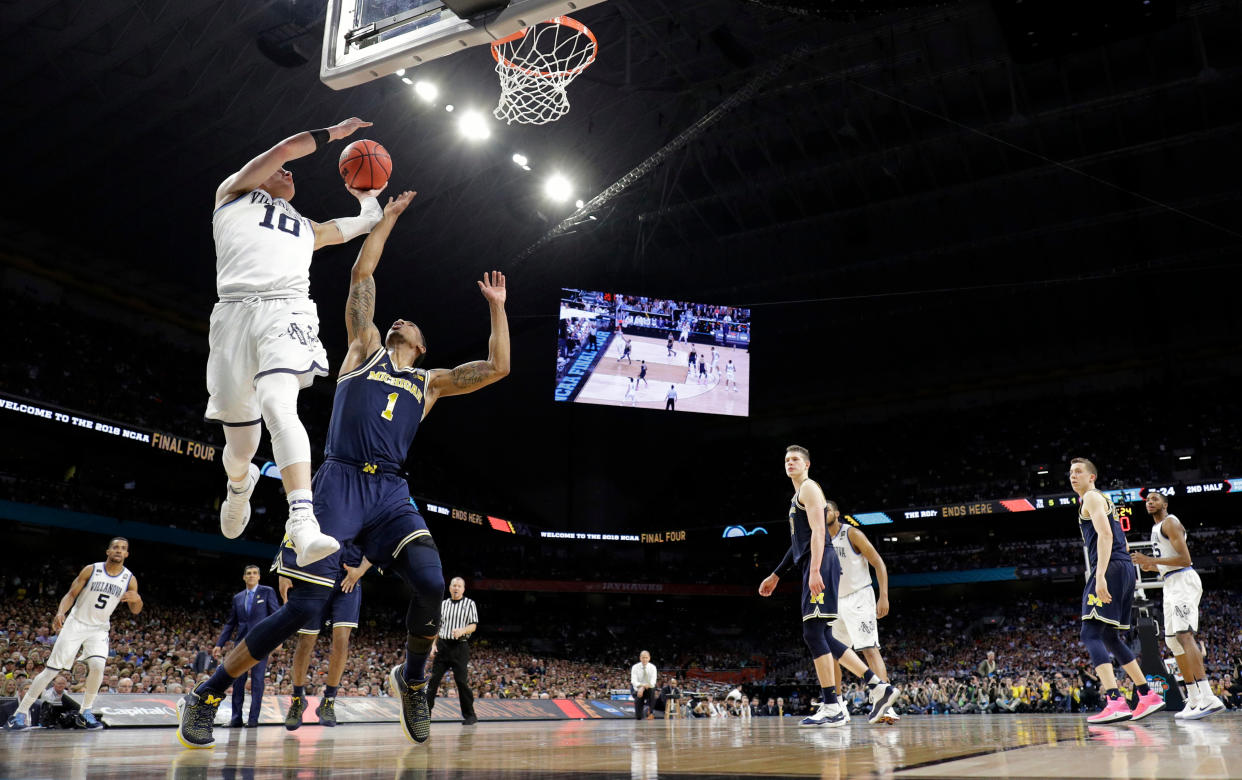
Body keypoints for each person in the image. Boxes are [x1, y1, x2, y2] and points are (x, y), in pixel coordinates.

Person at [176, 191, 510, 749]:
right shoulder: (364, 347)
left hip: (390, 492)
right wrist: (389, 219)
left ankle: (412, 677)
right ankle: (208, 692)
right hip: (339, 481)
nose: (400, 319)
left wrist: (497, 306)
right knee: (302, 610)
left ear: (422, 347)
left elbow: (498, 367)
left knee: (432, 582)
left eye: (412, 324)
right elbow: (362, 269)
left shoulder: (430, 384)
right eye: (397, 318)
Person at [207, 116, 383, 567]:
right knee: (240, 446)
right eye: (278, 169)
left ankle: (302, 522)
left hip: (287, 310)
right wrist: (334, 134)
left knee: (278, 403)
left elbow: (366, 223)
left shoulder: (307, 227)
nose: (288, 172)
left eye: (289, 172)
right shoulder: (231, 195)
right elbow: (285, 148)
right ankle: (239, 484)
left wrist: (367, 196)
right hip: (233, 315)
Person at [758, 445, 895, 728]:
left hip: (821, 564)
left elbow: (820, 532)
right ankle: (877, 688)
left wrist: (816, 568)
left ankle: (834, 705)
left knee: (813, 632)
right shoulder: (797, 496)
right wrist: (776, 574)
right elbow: (799, 543)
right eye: (786, 460)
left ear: (807, 464)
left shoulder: (809, 488)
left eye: (795, 459)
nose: (790, 463)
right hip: (815, 562)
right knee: (822, 635)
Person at [7, 538, 141, 730]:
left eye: (123, 549)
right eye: (115, 548)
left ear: (127, 554)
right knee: (51, 671)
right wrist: (61, 612)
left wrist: (137, 599)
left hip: (99, 628)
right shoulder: (92, 569)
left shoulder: (129, 578)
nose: (119, 551)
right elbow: (71, 594)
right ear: (108, 551)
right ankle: (19, 714)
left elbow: (136, 610)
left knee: (98, 666)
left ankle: (85, 712)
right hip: (76, 623)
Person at [1068, 457, 1164, 724]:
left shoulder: (1091, 497)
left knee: (1090, 633)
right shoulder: (1095, 499)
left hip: (1109, 567)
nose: (1073, 476)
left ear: (1091, 477)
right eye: (1071, 473)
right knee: (1110, 637)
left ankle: (1114, 700)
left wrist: (1099, 576)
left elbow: (1106, 535)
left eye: (1078, 472)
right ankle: (1147, 695)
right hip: (1123, 569)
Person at [1131, 492, 1225, 719]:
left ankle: (1208, 695)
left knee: (1185, 635)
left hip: (1183, 579)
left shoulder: (1170, 522)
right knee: (1173, 642)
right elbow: (1166, 562)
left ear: (1164, 503)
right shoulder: (1155, 530)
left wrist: (1152, 561)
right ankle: (1193, 700)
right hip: (1170, 583)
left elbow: (1185, 559)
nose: (1150, 502)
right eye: (1147, 500)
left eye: (1154, 499)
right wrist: (1150, 566)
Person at [282, 545, 371, 729]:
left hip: (350, 576)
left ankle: (329, 700)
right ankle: (298, 698)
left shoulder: (369, 516)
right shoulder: (318, 514)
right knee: (306, 639)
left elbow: (377, 544)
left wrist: (361, 570)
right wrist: (283, 569)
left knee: (341, 640)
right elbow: (294, 531)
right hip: (318, 574)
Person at [827, 510, 899, 724]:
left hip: (859, 597)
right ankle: (837, 705)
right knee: (832, 654)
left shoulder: (852, 534)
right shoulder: (820, 538)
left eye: (828, 509)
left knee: (869, 649)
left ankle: (886, 705)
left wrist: (883, 595)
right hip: (835, 601)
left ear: (837, 514)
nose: (824, 512)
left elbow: (878, 563)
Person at [214, 565, 279, 727]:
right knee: (237, 681)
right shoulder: (238, 598)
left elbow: (277, 616)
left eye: (255, 573)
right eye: (248, 573)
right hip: (241, 644)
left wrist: (278, 640)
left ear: (259, 577)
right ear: (244, 577)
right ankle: (236, 718)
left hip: (261, 642)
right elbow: (231, 623)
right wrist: (219, 644)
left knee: (257, 681)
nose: (251, 576)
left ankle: (253, 720)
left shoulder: (267, 592)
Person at [427, 577, 479, 725]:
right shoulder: (443, 604)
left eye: (459, 586)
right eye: (454, 585)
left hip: (460, 647)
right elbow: (437, 626)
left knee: (462, 682)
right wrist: (433, 645)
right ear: (450, 588)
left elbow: (473, 625)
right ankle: (425, 715)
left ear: (463, 589)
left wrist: (462, 630)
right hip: (443, 646)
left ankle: (470, 715)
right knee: (433, 682)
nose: (456, 588)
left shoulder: (469, 604)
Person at [631, 650, 657, 720]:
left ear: (649, 658)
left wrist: (642, 687)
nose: (644, 659)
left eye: (646, 657)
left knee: (652, 690)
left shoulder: (653, 667)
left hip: (648, 689)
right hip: (637, 690)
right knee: (638, 717)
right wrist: (640, 687)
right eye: (643, 657)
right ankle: (640, 714)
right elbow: (633, 681)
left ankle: (650, 712)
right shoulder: (635, 667)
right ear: (640, 658)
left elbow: (653, 682)